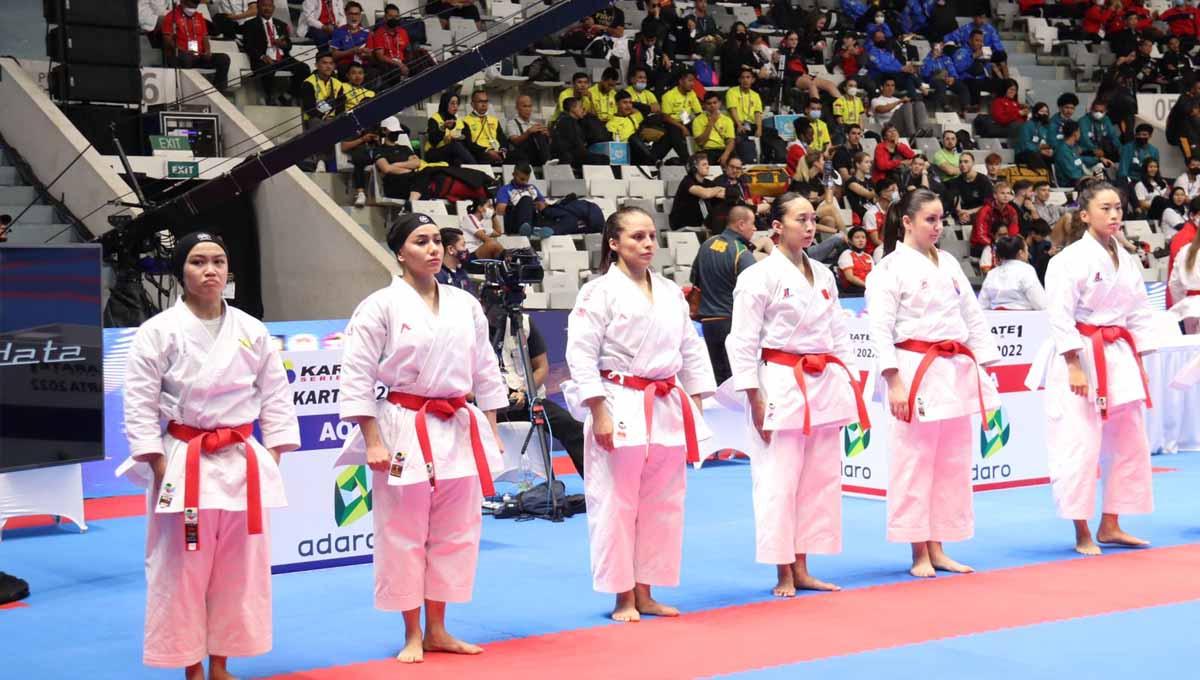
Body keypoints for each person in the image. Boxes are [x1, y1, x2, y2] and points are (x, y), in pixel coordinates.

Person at [118, 232, 299, 679]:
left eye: (218, 261)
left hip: (240, 460)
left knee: (238, 569)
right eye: (198, 262)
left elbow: (276, 397)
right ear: (182, 271)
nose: (211, 270)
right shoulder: (157, 331)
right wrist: (158, 463)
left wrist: (272, 456)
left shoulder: (251, 329)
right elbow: (138, 403)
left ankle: (221, 662)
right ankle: (190, 666)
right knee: (180, 569)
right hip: (185, 458)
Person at [337, 213, 507, 663]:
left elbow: (485, 368)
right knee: (403, 533)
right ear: (399, 252)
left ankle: (439, 628)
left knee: (455, 533)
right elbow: (356, 375)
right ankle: (412, 631)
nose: (433, 249)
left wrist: (490, 429)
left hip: (456, 425)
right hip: (404, 426)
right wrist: (371, 439)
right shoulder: (379, 305)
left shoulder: (464, 303)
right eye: (421, 241)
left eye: (437, 241)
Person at [563, 206, 716, 622]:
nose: (648, 244)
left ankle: (646, 591)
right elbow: (580, 354)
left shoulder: (669, 291)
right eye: (637, 237)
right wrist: (598, 410)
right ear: (614, 244)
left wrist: (696, 405)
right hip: (619, 398)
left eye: (651, 236)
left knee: (663, 504)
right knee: (615, 502)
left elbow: (691, 348)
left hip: (666, 402)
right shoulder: (598, 292)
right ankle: (622, 596)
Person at [726, 192, 867, 596]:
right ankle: (783, 571)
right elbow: (742, 341)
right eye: (800, 219)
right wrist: (751, 395)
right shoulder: (757, 276)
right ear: (777, 226)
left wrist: (852, 380)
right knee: (778, 480)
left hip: (824, 383)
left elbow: (838, 333)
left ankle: (803, 565)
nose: (809, 227)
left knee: (817, 480)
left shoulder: (823, 275)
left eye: (811, 220)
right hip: (781, 383)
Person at [866, 188, 1001, 577]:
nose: (938, 227)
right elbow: (879, 329)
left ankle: (939, 546)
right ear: (907, 222)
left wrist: (985, 364)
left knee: (951, 464)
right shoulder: (888, 269)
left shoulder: (949, 264)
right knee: (913, 463)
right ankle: (918, 552)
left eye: (941, 219)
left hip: (954, 369)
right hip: (914, 369)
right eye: (930, 219)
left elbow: (973, 316)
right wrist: (893, 381)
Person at [1032, 181, 1156, 555]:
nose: (1115, 214)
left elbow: (1138, 311)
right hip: (1083, 353)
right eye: (1105, 208)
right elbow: (1060, 315)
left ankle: (1112, 523)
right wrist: (1073, 364)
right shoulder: (1066, 261)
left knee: (1129, 442)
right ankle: (1081, 529)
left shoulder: (1127, 258)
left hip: (1118, 353)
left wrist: (1141, 360)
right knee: (1079, 443)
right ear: (1085, 215)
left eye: (1118, 207)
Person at [487, 302, 587, 477]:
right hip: (488, 405)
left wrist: (525, 392)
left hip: (526, 400)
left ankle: (594, 487)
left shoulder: (523, 323)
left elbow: (541, 367)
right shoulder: (469, 327)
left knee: (573, 427)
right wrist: (489, 398)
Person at [692, 205, 758, 385]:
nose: (755, 228)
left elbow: (695, 283)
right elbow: (756, 291)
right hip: (732, 323)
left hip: (708, 324)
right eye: (752, 224)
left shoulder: (706, 245)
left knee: (720, 381)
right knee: (738, 382)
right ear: (741, 224)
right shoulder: (741, 252)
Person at [244, 0, 310, 106]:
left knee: (304, 68)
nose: (267, 8)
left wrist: (283, 45)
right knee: (267, 69)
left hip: (281, 57)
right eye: (264, 6)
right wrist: (262, 56)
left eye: (269, 6)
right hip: (264, 58)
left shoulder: (281, 24)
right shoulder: (250, 24)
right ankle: (269, 97)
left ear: (273, 8)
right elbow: (248, 46)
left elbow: (288, 46)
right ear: (258, 7)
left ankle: (287, 95)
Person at [162, 0, 231, 93]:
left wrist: (207, 50)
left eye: (195, 6)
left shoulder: (199, 17)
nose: (193, 9)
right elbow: (167, 40)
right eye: (191, 6)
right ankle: (189, 92)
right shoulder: (171, 16)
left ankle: (219, 92)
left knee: (224, 59)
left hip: (198, 55)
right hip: (181, 55)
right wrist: (182, 50)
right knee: (186, 59)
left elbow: (205, 37)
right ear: (182, 2)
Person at [299, 51, 345, 172]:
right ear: (316, 65)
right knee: (320, 126)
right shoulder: (308, 83)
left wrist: (334, 118)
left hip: (333, 119)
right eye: (324, 63)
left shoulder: (338, 84)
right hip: (313, 119)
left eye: (331, 63)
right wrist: (326, 116)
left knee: (341, 125)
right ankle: (321, 160)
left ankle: (324, 161)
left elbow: (341, 107)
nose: (328, 66)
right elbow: (310, 109)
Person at [978, 235, 1048, 310]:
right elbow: (1041, 304)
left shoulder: (992, 273)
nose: (1028, 254)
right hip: (1024, 319)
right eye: (1027, 250)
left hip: (996, 319)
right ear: (1021, 253)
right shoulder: (1026, 270)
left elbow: (982, 305)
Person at [670, 153, 725, 230]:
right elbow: (705, 194)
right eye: (704, 164)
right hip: (683, 223)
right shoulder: (687, 181)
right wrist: (718, 188)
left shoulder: (708, 183)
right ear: (695, 167)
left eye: (708, 164)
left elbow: (725, 194)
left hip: (702, 224)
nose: (708, 167)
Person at [494, 164, 550, 238]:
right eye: (522, 179)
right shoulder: (505, 189)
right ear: (513, 175)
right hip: (514, 221)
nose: (525, 182)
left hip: (533, 216)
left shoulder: (532, 187)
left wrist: (539, 204)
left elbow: (543, 205)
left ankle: (535, 229)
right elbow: (500, 210)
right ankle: (526, 228)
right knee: (526, 199)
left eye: (527, 180)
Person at [552, 98, 610, 167]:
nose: (583, 109)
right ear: (573, 109)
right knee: (604, 159)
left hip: (568, 155)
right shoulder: (568, 122)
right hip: (569, 158)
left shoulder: (563, 119)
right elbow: (577, 146)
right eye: (580, 107)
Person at [970, 180, 1018, 258]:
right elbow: (981, 236)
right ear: (995, 195)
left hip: (1001, 244)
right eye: (1002, 193)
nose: (1006, 196)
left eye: (1008, 193)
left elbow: (1013, 230)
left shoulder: (1012, 211)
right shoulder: (985, 211)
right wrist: (995, 245)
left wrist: (1009, 243)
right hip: (980, 246)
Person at [369, 4, 413, 85]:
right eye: (390, 16)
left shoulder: (403, 32)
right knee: (395, 70)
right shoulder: (379, 33)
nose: (394, 19)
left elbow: (408, 50)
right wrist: (399, 64)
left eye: (396, 16)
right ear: (385, 18)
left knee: (420, 61)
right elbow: (380, 56)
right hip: (388, 64)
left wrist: (408, 63)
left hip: (402, 61)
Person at [426, 91, 474, 166]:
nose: (456, 106)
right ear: (445, 104)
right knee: (454, 146)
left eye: (457, 103)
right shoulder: (434, 120)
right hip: (435, 153)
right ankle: (476, 168)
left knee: (458, 160)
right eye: (452, 103)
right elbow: (433, 141)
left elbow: (469, 143)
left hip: (453, 154)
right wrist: (443, 128)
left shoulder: (462, 123)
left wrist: (461, 138)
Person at [330, 2, 374, 79]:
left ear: (360, 15)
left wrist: (366, 54)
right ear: (346, 14)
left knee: (373, 72)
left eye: (357, 14)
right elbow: (334, 55)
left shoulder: (367, 32)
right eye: (351, 14)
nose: (354, 17)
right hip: (346, 66)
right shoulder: (339, 31)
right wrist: (352, 51)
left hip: (363, 66)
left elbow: (371, 55)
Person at [505, 94, 552, 167]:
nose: (528, 109)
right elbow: (515, 141)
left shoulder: (535, 124)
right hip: (520, 156)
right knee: (534, 134)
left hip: (535, 155)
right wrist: (528, 132)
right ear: (517, 108)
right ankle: (547, 161)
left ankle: (547, 161)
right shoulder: (511, 123)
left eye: (530, 106)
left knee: (541, 134)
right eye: (524, 106)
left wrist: (547, 136)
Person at [1168, 225, 1200, 332]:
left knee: (1192, 347)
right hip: (1190, 306)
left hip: (1189, 308)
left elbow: (1174, 284)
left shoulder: (1184, 250)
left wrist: (1181, 304)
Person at [947, 152, 993, 224]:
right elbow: (956, 201)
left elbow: (988, 205)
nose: (962, 164)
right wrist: (960, 213)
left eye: (966, 162)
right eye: (960, 162)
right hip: (963, 215)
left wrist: (969, 212)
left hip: (980, 213)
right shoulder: (955, 181)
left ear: (973, 163)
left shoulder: (984, 181)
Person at [463, 90, 507, 165]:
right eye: (480, 102)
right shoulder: (465, 121)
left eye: (486, 101)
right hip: (481, 153)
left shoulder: (494, 120)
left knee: (519, 157)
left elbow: (502, 138)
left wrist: (503, 150)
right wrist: (487, 151)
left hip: (498, 151)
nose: (484, 105)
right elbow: (469, 145)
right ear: (472, 104)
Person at [693, 92, 737, 165]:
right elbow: (700, 142)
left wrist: (726, 154)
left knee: (736, 163)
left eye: (715, 103)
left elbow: (731, 141)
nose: (712, 105)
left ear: (719, 103)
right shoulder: (698, 120)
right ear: (704, 105)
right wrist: (711, 123)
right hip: (706, 151)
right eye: (709, 103)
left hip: (723, 150)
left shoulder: (727, 120)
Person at [1015, 102, 1054, 170]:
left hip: (1042, 153)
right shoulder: (1027, 125)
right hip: (1025, 154)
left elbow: (1050, 142)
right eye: (1042, 111)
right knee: (1034, 155)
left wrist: (1050, 150)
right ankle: (1043, 177)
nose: (1044, 114)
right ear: (1035, 113)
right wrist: (1040, 150)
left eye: (1046, 112)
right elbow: (1025, 145)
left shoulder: (1046, 127)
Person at [837, 226, 874, 295]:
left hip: (868, 288)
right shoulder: (846, 254)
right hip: (852, 291)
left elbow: (874, 276)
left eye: (863, 237)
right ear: (850, 240)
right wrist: (868, 286)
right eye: (857, 237)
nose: (861, 240)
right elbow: (850, 278)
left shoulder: (868, 256)